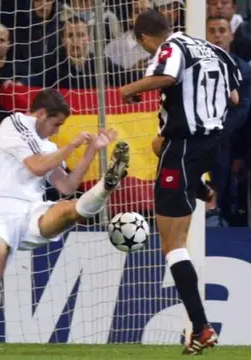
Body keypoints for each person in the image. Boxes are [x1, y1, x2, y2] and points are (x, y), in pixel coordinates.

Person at [119, 9, 241, 355]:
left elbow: (168, 78)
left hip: (185, 146)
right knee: (157, 144)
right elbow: (234, 98)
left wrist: (131, 87)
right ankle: (199, 187)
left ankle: (201, 328)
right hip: (211, 143)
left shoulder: (170, 49)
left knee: (172, 245)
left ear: (144, 38)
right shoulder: (215, 50)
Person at [0, 89, 130, 339]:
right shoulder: (14, 123)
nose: (56, 131)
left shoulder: (48, 146)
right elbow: (37, 167)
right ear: (42, 114)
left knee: (70, 209)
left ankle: (106, 185)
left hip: (33, 211)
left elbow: (66, 186)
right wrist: (73, 144)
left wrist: (92, 149)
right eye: (56, 124)